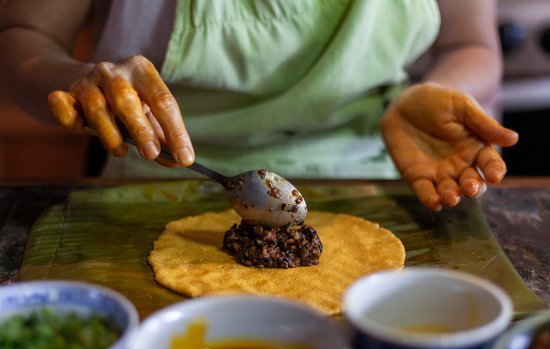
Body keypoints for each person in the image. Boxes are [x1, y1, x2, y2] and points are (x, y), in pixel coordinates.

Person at [0, 0, 518, 211]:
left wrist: (425, 93)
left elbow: (469, 46)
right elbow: (21, 37)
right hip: (152, 186)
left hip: (383, 179)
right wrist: (79, 83)